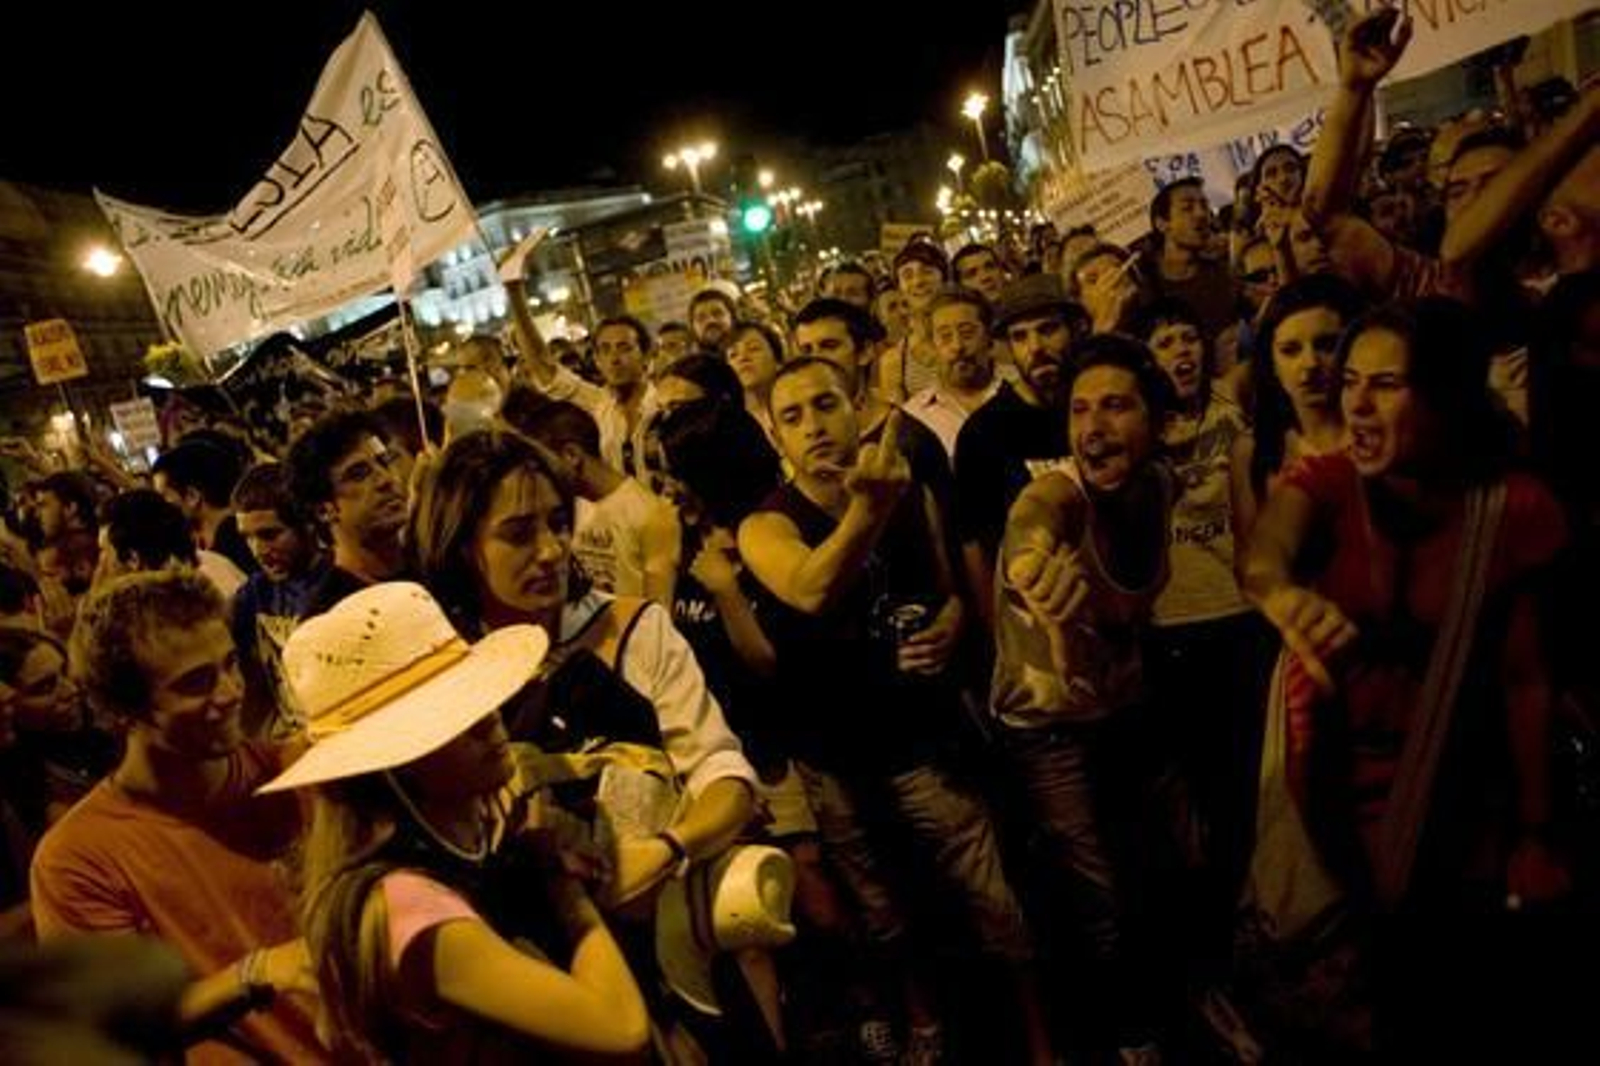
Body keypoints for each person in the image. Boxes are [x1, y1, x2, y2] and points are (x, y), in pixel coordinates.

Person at [1242, 298, 1573, 1059]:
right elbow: (1264, 551)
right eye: (1351, 380)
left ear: (1450, 395)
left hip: (1461, 801)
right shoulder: (1328, 480)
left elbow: (1528, 681)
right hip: (1334, 794)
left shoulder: (1512, 508)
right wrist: (1281, 592)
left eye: (1385, 385)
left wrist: (1534, 831)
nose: (1352, 402)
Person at [739, 356, 1051, 1065]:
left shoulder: (912, 493)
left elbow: (947, 588)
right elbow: (811, 588)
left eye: (826, 405)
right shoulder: (766, 524)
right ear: (774, 434)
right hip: (838, 758)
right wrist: (867, 510)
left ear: (858, 408)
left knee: (995, 904)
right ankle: (924, 1024)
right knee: (884, 915)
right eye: (792, 416)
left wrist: (949, 623)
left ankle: (1039, 1039)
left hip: (925, 742)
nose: (814, 426)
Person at [262, 581, 651, 1062]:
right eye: (451, 717)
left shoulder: (475, 839)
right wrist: (563, 888)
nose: (489, 721)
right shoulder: (408, 905)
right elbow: (619, 1027)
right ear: (393, 762)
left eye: (478, 699)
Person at [29, 570, 322, 1063]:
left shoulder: (300, 772)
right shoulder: (77, 858)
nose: (230, 692)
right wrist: (254, 974)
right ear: (122, 710)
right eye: (196, 683)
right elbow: (118, 1025)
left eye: (230, 664)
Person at [989, 335, 1181, 1063]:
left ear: (1157, 421)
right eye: (1079, 410)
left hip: (1123, 710)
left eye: (1116, 406)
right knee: (1099, 893)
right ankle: (1130, 1038)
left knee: (1157, 866)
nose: (1093, 427)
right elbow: (1030, 522)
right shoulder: (1059, 493)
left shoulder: (1159, 485)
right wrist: (1032, 565)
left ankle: (1174, 1006)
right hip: (1049, 729)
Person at [953, 274, 1090, 631]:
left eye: (1048, 330)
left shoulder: (1095, 413)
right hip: (1030, 624)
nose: (1036, 347)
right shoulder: (983, 433)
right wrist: (996, 630)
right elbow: (975, 548)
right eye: (1020, 336)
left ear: (1075, 329)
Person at [1231, 275, 1366, 546]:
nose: (1311, 363)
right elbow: (1250, 563)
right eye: (1290, 350)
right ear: (1272, 362)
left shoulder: (1376, 440)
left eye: (1326, 345)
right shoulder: (1253, 451)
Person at [511, 399, 681, 606]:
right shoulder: (563, 511)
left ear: (571, 455)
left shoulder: (650, 513)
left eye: (543, 466)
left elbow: (659, 611)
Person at [286, 409, 409, 609]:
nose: (386, 479)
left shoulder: (438, 569)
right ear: (323, 511)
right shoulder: (330, 618)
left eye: (385, 462)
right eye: (359, 475)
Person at [906, 287, 1000, 462]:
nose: (957, 346)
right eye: (945, 336)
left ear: (989, 337)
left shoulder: (1021, 396)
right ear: (933, 347)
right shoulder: (914, 417)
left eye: (967, 333)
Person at [152, 440, 255, 576]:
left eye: (163, 496)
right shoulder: (200, 542)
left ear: (192, 496)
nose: (159, 506)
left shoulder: (237, 542)